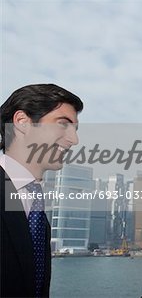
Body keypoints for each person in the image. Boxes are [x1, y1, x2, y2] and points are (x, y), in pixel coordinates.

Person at [0, 84, 83, 297]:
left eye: (75, 129)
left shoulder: (37, 210)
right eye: (63, 124)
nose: (74, 140)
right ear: (22, 122)